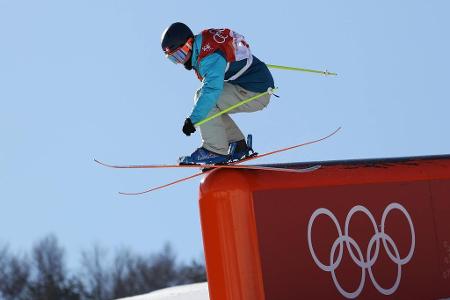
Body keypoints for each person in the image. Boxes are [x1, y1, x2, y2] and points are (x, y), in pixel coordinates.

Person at [161, 22, 275, 164]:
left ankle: (214, 150)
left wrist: (192, 120)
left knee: (205, 99)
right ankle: (237, 144)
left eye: (179, 54)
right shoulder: (203, 44)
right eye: (173, 59)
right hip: (251, 85)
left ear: (189, 43)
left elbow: (211, 91)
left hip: (256, 92)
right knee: (206, 100)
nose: (180, 61)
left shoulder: (209, 56)